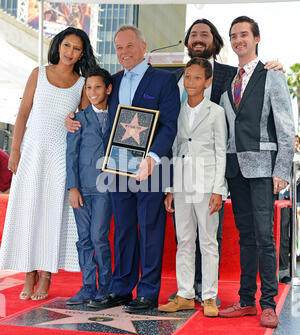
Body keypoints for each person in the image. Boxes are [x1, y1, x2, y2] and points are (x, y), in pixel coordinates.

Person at [169, 18, 283, 305]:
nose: (198, 38)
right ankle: (203, 293)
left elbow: (280, 123)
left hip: (238, 169)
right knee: (192, 238)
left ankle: (240, 297)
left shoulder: (246, 74)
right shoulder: (183, 78)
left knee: (240, 237)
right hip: (203, 171)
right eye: (193, 34)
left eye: (204, 34)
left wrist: (280, 170)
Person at [85, 25, 180, 312]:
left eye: (128, 46)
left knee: (150, 228)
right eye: (118, 47)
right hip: (118, 167)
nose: (123, 52)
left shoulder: (164, 80)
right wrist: (71, 119)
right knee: (124, 228)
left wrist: (151, 157)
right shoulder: (111, 81)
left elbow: (170, 125)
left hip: (153, 166)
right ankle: (122, 288)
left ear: (143, 46)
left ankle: (148, 291)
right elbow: (95, 111)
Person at [0, 27, 97, 301]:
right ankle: (28, 272)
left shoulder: (82, 83)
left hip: (60, 154)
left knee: (53, 213)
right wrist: (15, 150)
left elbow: (81, 123)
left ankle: (46, 274)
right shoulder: (38, 73)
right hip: (32, 151)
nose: (70, 53)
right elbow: (22, 114)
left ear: (82, 54)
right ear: (58, 46)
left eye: (77, 49)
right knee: (28, 208)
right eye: (67, 46)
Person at [218, 16, 295, 328]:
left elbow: (287, 129)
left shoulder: (271, 75)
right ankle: (246, 300)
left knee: (265, 236)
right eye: (234, 36)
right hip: (235, 168)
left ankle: (268, 304)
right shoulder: (228, 81)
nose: (239, 40)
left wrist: (282, 171)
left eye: (244, 35)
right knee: (245, 236)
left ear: (257, 38)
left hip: (264, 168)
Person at [158, 57, 227, 317]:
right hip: (183, 184)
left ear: (208, 82)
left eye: (197, 77)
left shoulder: (216, 112)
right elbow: (174, 149)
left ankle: (209, 296)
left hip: (207, 185)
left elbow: (221, 151)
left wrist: (219, 189)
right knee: (184, 241)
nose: (191, 82)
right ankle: (185, 294)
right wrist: (170, 188)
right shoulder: (177, 110)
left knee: (208, 242)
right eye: (188, 76)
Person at [65, 66, 113, 305]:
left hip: (106, 188)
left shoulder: (118, 116)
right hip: (82, 189)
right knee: (84, 238)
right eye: (89, 87)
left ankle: (105, 286)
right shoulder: (78, 119)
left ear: (108, 89)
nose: (93, 92)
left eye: (98, 87)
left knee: (99, 237)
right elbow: (71, 154)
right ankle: (87, 286)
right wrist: (72, 188)